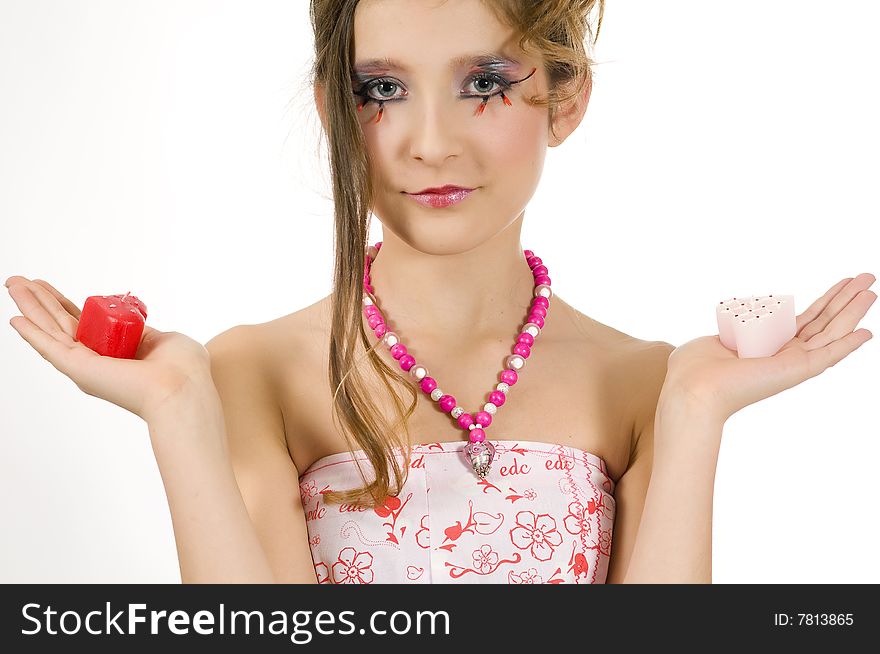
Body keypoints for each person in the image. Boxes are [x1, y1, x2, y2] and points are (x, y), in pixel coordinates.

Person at [4, 0, 876, 584]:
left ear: (564, 99)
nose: (428, 143)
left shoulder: (642, 382)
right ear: (332, 108)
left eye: (484, 85)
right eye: (381, 89)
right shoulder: (252, 372)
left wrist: (693, 414)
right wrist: (178, 414)